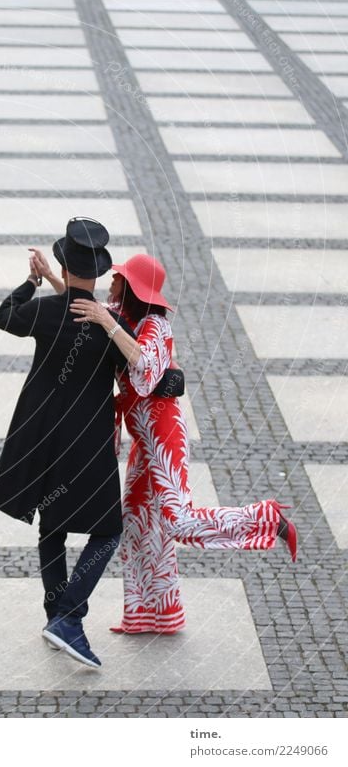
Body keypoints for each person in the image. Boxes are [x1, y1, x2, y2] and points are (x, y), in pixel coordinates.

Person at [65, 253, 297, 634]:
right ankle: (152, 615)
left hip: (165, 436)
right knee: (138, 525)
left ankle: (266, 519)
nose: (111, 281)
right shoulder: (119, 314)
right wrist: (57, 283)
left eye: (118, 277)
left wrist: (108, 322)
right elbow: (84, 308)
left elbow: (146, 366)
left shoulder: (155, 325)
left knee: (178, 522)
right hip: (143, 441)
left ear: (132, 287)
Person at [0, 218, 132, 668]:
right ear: (102, 274)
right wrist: (106, 319)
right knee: (107, 530)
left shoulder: (48, 312)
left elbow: (5, 316)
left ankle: (58, 616)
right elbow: (142, 366)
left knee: (52, 529)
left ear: (64, 267)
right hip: (88, 442)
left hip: (45, 439)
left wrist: (33, 282)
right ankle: (68, 617)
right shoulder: (113, 323)